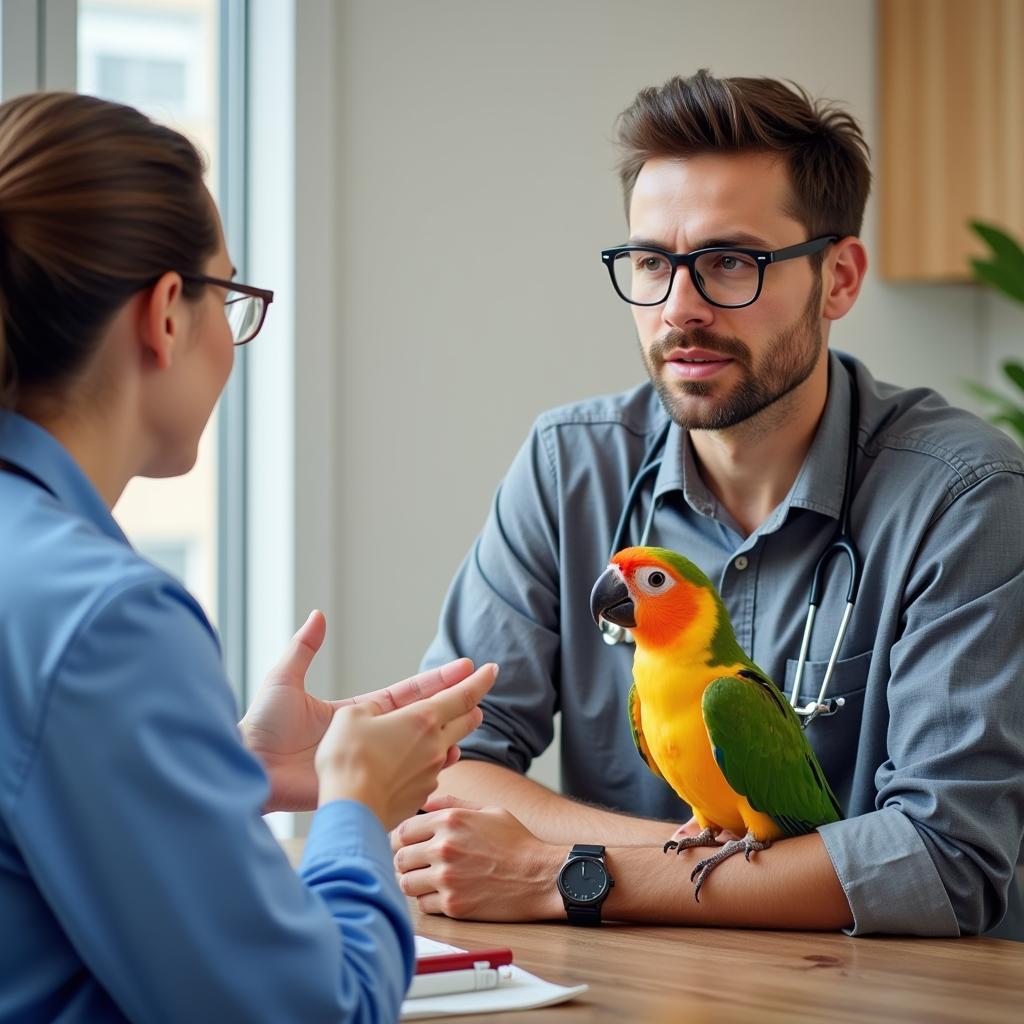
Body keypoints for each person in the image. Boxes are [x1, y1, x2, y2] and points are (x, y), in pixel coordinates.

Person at [392, 70, 1024, 939]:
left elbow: (946, 865)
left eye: (731, 261)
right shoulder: (569, 466)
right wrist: (688, 860)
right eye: (651, 262)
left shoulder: (965, 497)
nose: (679, 309)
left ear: (838, 280)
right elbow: (445, 769)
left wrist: (574, 876)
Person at [0, 91, 496, 1023]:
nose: (233, 339)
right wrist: (353, 809)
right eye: (228, 295)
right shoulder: (104, 619)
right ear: (165, 317)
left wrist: (232, 771)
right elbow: (314, 1011)